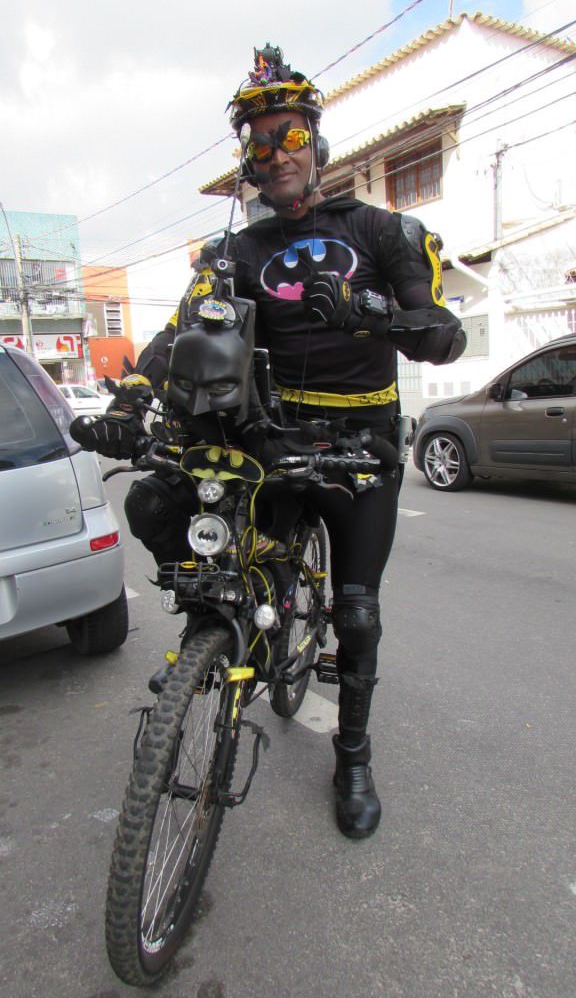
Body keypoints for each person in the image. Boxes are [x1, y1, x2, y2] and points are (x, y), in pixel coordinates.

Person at [72, 44, 465, 840]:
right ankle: (210, 651)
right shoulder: (236, 253)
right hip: (271, 443)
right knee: (165, 511)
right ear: (246, 161)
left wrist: (371, 315)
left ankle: (351, 757)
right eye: (258, 141)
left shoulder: (384, 230)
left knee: (355, 613)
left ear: (316, 145)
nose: (275, 152)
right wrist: (137, 398)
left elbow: (444, 337)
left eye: (289, 135)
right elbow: (182, 331)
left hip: (361, 445)